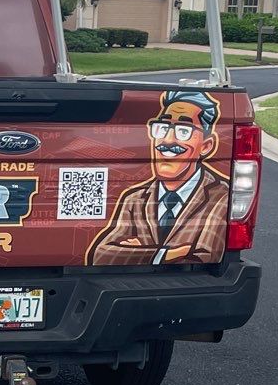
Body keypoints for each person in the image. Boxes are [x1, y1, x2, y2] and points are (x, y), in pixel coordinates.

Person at [86, 90, 229, 265]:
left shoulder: (221, 197)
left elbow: (204, 257)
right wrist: (171, 253)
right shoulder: (134, 199)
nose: (167, 141)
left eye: (183, 131)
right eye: (162, 128)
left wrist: (134, 252)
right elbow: (101, 255)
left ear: (206, 146)